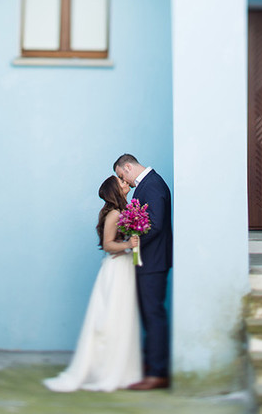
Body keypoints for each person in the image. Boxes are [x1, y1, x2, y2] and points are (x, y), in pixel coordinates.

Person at [43, 175, 142, 392]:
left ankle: (123, 367)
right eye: (122, 183)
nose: (126, 184)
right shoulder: (114, 214)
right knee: (111, 318)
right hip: (115, 269)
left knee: (123, 317)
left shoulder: (123, 212)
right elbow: (107, 245)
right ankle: (107, 369)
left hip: (124, 267)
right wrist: (128, 244)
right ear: (115, 191)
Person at [114, 153, 172, 391]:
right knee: (149, 313)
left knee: (153, 314)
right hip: (150, 261)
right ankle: (151, 363)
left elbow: (155, 225)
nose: (124, 182)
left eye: (122, 176)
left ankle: (157, 372)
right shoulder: (149, 184)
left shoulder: (152, 185)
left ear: (128, 167)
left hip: (154, 261)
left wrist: (134, 239)